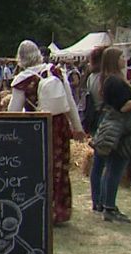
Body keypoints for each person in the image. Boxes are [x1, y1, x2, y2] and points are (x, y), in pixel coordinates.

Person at [7, 40, 84, 224]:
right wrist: (77, 127)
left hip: (36, 129)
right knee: (60, 168)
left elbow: (13, 112)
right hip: (59, 125)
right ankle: (60, 210)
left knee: (37, 169)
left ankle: (40, 208)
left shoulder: (22, 81)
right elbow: (70, 102)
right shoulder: (56, 71)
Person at [90, 47, 131, 224]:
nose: (125, 58)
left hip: (118, 128)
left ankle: (108, 205)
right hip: (119, 129)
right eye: (122, 56)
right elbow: (123, 106)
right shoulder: (112, 81)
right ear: (115, 60)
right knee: (115, 168)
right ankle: (108, 206)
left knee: (112, 168)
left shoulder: (111, 79)